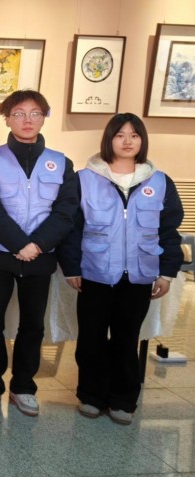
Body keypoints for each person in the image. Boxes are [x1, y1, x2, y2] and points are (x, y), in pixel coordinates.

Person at [56, 113, 183, 425]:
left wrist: (166, 272)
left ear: (142, 140)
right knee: (92, 338)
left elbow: (169, 232)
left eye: (134, 135)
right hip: (95, 273)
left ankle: (123, 400)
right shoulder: (85, 179)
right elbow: (71, 228)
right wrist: (71, 267)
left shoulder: (160, 181)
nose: (127, 141)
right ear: (109, 139)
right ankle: (91, 395)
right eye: (120, 135)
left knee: (127, 339)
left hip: (139, 275)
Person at [0, 90, 78, 417]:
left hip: (40, 256)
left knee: (33, 324)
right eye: (19, 113)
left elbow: (66, 212)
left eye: (35, 113)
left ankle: (23, 386)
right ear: (7, 118)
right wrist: (18, 243)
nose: (27, 120)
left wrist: (37, 245)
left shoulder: (61, 163)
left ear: (44, 117)